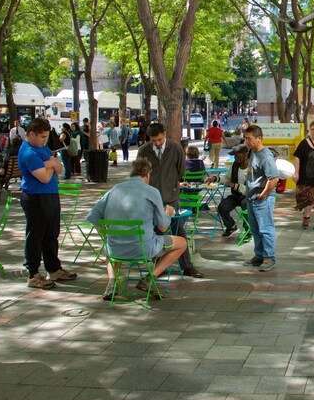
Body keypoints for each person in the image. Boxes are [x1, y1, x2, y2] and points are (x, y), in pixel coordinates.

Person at [86, 158, 188, 300]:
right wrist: (168, 213)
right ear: (147, 175)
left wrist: (105, 234)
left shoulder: (115, 189)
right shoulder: (152, 191)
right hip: (143, 248)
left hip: (115, 248)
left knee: (110, 247)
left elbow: (93, 216)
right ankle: (149, 279)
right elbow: (163, 227)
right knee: (182, 243)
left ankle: (112, 283)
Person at [137, 123, 203, 278]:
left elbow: (180, 171)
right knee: (156, 232)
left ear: (164, 134)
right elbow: (140, 173)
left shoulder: (176, 148)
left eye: (160, 139)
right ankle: (160, 266)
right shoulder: (144, 150)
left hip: (171, 198)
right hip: (151, 199)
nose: (158, 143)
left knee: (179, 230)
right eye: (154, 141)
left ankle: (187, 266)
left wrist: (172, 184)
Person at [18, 117, 77, 289]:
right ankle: (33, 273)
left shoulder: (41, 149)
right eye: (42, 137)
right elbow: (43, 177)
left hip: (50, 195)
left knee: (52, 233)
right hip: (36, 196)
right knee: (36, 235)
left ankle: (54, 268)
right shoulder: (29, 152)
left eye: (46, 137)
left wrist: (49, 164)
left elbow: (58, 167)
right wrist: (51, 164)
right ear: (31, 134)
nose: (45, 140)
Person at [242, 125, 279, 272]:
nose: (246, 141)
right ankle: (259, 255)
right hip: (252, 197)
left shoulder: (265, 156)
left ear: (259, 139)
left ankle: (269, 257)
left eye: (249, 139)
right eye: (245, 138)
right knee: (255, 229)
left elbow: (274, 179)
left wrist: (264, 194)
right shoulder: (253, 152)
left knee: (266, 228)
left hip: (262, 199)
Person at [208, 146, 250, 238]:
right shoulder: (235, 165)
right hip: (236, 195)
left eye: (237, 155)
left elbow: (251, 188)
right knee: (222, 207)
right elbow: (227, 178)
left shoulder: (252, 167)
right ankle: (231, 226)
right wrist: (216, 178)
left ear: (245, 155)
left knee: (245, 204)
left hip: (248, 196)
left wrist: (235, 186)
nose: (235, 157)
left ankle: (248, 230)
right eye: (234, 156)